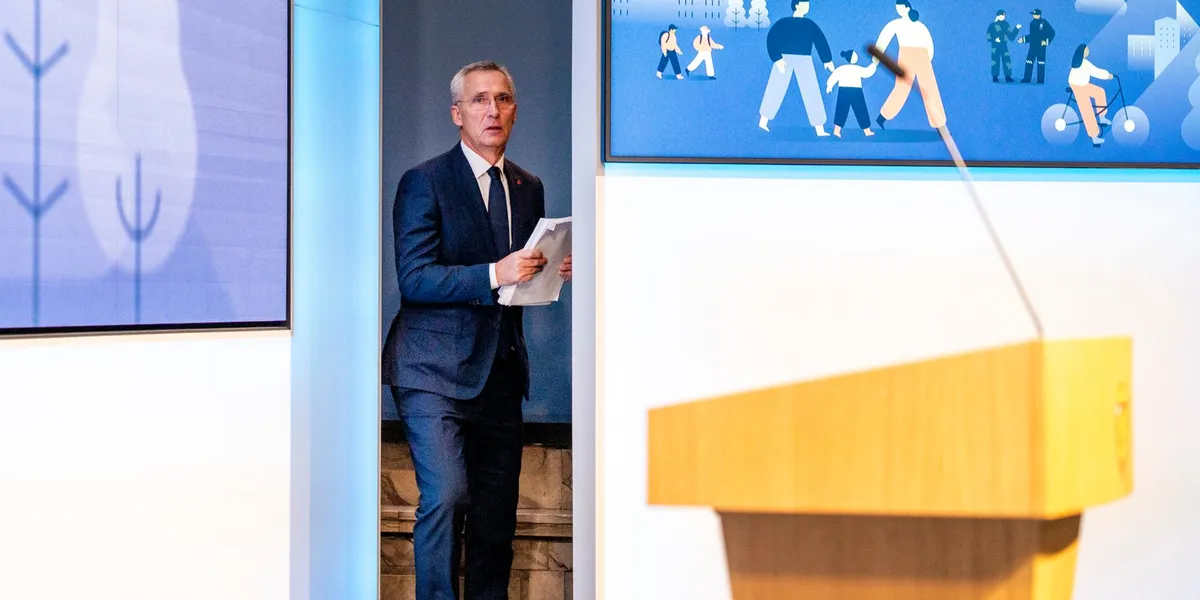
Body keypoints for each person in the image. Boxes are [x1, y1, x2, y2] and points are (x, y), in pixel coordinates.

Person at [381, 60, 572, 600]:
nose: (493, 110)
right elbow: (416, 278)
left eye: (503, 99)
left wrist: (548, 271)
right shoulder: (424, 182)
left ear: (515, 110)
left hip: (501, 372)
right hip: (431, 372)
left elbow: (516, 280)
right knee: (446, 496)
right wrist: (495, 273)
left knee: (495, 516)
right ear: (457, 114)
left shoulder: (528, 186)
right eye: (479, 100)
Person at [757, 0, 835, 136]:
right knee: (775, 88)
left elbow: (820, 40)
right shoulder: (783, 23)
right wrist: (777, 58)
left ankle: (819, 128)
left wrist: (827, 59)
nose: (807, 6)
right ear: (797, 5)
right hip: (784, 59)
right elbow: (771, 38)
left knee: (811, 90)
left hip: (804, 59)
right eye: (804, 3)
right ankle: (763, 122)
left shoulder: (810, 24)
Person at [874, 0, 946, 131]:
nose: (898, 11)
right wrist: (877, 56)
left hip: (922, 56)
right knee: (902, 88)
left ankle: (939, 125)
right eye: (897, 9)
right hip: (906, 56)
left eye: (900, 8)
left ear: (907, 8)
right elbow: (884, 37)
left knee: (929, 89)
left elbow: (928, 43)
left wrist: (928, 58)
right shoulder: (896, 24)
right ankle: (883, 117)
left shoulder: (920, 26)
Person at [1068, 44, 1113, 148]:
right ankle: (1094, 137)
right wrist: (1108, 76)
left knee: (1099, 92)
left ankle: (1102, 117)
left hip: (1083, 85)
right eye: (1087, 49)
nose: (1088, 50)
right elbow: (1096, 72)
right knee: (1087, 109)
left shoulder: (1081, 62)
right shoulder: (1084, 63)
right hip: (1077, 86)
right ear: (1083, 52)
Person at [826, 49, 879, 137]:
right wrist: (874, 65)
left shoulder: (842, 68)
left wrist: (829, 86)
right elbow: (867, 72)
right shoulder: (856, 69)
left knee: (842, 110)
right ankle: (866, 130)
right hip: (855, 91)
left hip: (845, 91)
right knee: (860, 110)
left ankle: (838, 130)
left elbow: (834, 76)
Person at [1018, 9, 1055, 84]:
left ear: (1039, 15)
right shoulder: (1032, 23)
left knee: (1041, 62)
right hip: (1033, 46)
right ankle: (1027, 78)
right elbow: (1033, 36)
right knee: (1029, 61)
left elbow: (1052, 32)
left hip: (1041, 47)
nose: (1034, 16)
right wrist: (1024, 39)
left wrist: (1046, 41)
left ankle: (1040, 79)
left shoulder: (1044, 22)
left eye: (1035, 14)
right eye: (1033, 14)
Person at [986, 9, 1021, 83]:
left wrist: (1016, 28)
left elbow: (1011, 37)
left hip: (1004, 46)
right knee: (995, 61)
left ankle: (1008, 76)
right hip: (995, 47)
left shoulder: (1006, 24)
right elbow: (988, 37)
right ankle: (995, 77)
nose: (1003, 17)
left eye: (1004, 15)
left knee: (1007, 61)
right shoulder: (992, 25)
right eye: (1001, 15)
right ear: (997, 16)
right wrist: (994, 39)